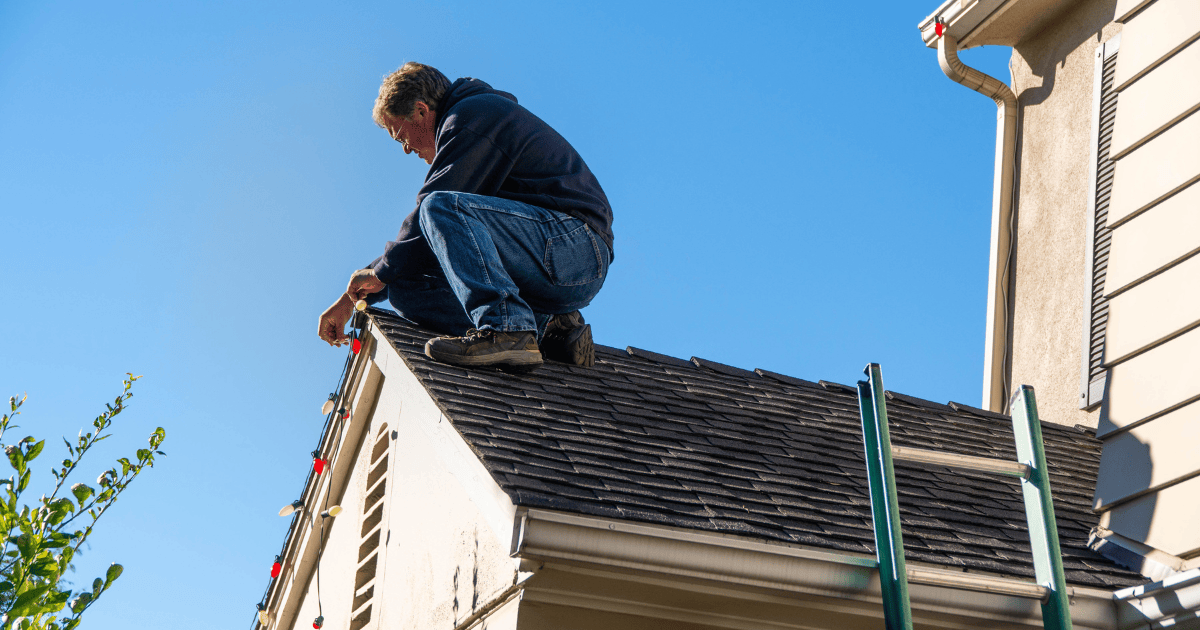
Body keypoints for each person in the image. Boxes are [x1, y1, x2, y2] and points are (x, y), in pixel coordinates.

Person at [317, 62, 614, 370]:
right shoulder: (469, 128)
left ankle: (507, 330)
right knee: (404, 288)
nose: (406, 150)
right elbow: (438, 240)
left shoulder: (472, 117)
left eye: (400, 136)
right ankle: (547, 330)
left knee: (438, 207)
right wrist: (356, 296)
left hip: (577, 246)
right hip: (548, 258)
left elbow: (430, 215)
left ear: (421, 111)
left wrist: (379, 272)